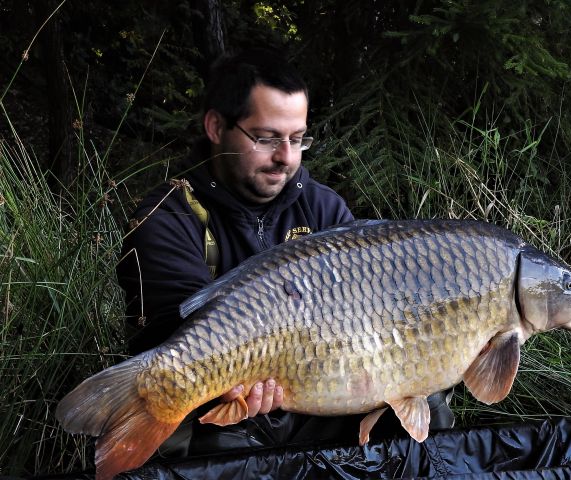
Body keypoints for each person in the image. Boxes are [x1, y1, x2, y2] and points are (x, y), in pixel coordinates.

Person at [117, 47, 453, 458]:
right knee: (215, 439)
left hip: (323, 384)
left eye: (298, 139)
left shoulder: (324, 209)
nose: (286, 158)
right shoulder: (167, 218)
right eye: (267, 139)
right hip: (218, 399)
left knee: (428, 402)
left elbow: (364, 318)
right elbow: (177, 340)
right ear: (216, 126)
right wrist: (245, 379)